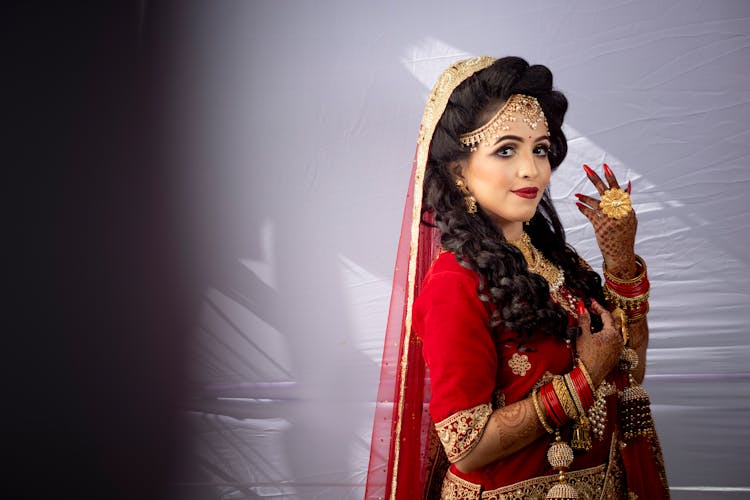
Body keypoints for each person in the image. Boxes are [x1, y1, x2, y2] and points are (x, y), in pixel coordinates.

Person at [365, 56, 669, 499]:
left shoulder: (558, 260)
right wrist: (584, 377)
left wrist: (620, 264)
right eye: (506, 150)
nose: (531, 170)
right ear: (458, 172)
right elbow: (465, 446)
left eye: (539, 149)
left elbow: (630, 372)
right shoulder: (455, 282)